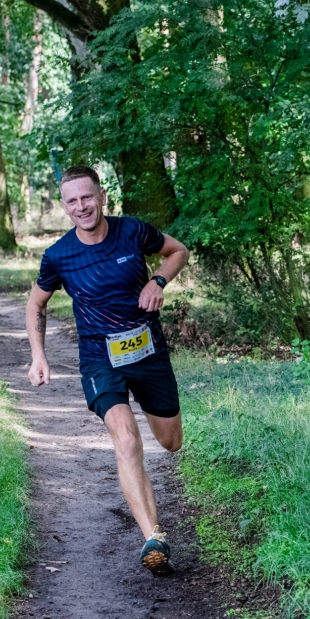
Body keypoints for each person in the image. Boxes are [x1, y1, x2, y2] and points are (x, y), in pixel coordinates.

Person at [26, 165, 190, 576]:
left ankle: (153, 533)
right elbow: (36, 304)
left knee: (170, 442)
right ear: (64, 207)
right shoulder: (59, 256)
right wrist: (38, 356)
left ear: (102, 197)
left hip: (148, 352)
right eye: (72, 201)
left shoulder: (133, 231)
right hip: (100, 359)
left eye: (87, 197)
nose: (81, 206)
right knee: (126, 439)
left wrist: (157, 281)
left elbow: (178, 251)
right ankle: (153, 538)